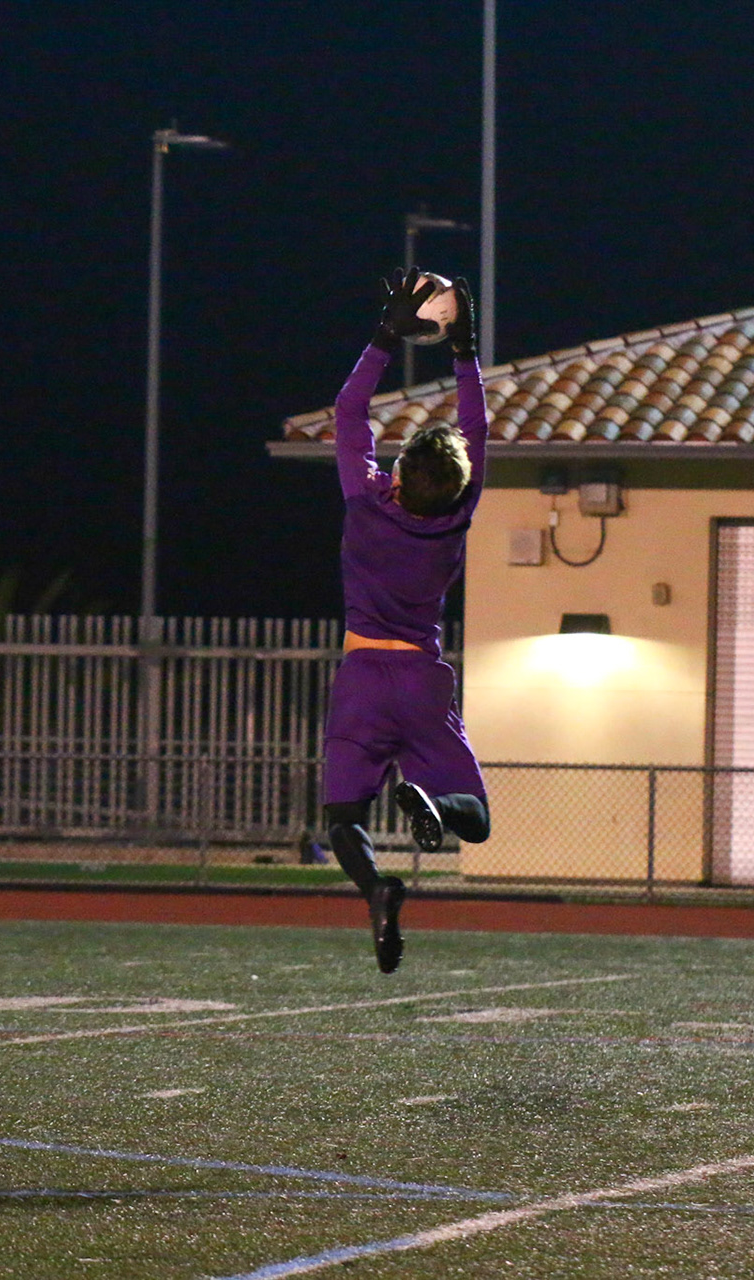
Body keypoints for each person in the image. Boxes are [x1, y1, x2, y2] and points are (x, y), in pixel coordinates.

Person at [323, 269, 492, 974]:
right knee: (475, 817)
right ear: (460, 485)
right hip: (422, 678)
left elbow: (348, 412)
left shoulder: (366, 504)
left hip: (364, 673)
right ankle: (435, 807)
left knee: (343, 819)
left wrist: (384, 338)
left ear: (396, 474)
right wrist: (465, 348)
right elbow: (477, 429)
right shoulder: (456, 516)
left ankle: (377, 891)